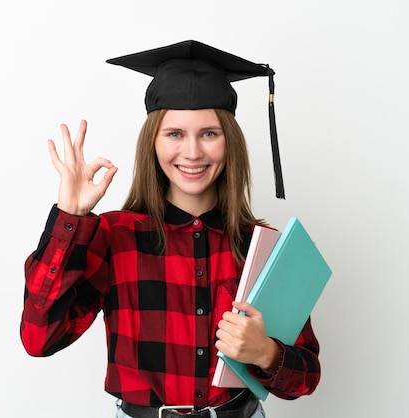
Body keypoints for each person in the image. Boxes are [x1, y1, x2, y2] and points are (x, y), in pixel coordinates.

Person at [20, 40, 321, 418]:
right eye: (175, 134)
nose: (192, 152)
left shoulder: (262, 247)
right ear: (153, 143)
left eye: (209, 133)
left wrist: (266, 353)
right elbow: (39, 337)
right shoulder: (114, 236)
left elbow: (307, 377)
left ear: (230, 143)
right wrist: (70, 217)